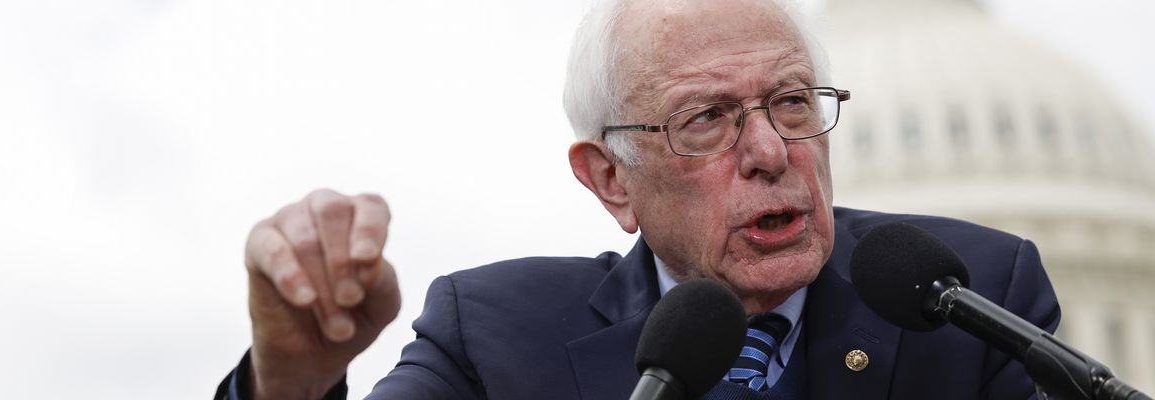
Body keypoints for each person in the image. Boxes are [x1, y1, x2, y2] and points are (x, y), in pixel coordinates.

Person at [215, 0, 1060, 398]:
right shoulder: (492, 336)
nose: (772, 152)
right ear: (611, 179)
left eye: (795, 101)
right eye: (707, 119)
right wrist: (291, 385)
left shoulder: (972, 298)